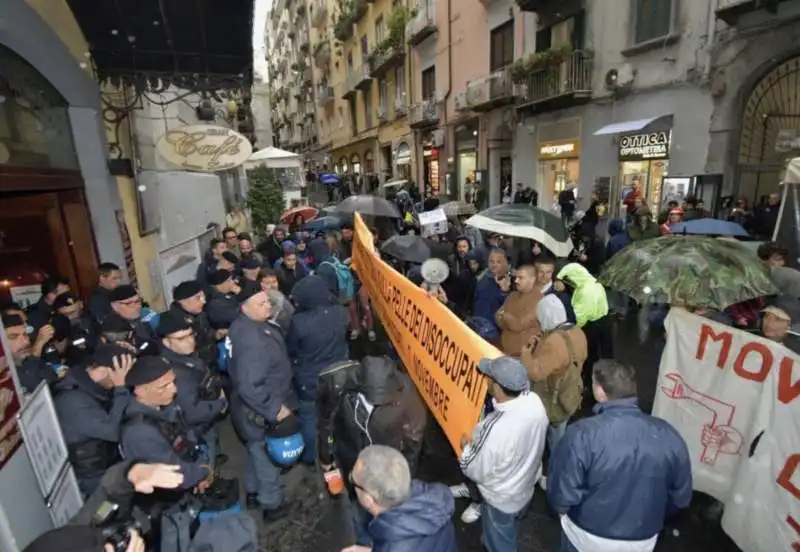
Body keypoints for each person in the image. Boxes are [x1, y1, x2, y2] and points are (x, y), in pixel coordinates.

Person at [549, 359, 693, 552]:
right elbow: (680, 498)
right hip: (642, 538)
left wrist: (562, 510)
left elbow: (562, 494)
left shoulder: (582, 434)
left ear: (600, 391)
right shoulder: (669, 435)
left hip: (587, 535)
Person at [451, 356, 548, 550]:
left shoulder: (497, 429)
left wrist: (466, 446)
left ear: (497, 387)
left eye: (489, 378)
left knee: (500, 542)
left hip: (501, 501)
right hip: (524, 488)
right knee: (510, 525)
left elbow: (474, 469)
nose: (486, 380)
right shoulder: (535, 402)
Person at [227, 286, 296, 521]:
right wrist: (274, 409)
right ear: (244, 307)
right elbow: (250, 386)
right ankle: (272, 504)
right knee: (265, 457)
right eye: (262, 304)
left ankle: (253, 492)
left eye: (268, 301)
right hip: (259, 408)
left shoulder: (244, 325)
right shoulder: (252, 341)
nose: (269, 306)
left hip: (247, 407)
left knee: (254, 452)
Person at [120, 356, 213, 494]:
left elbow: (186, 432)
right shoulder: (139, 433)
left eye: (173, 382)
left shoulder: (164, 404)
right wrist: (204, 470)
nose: (174, 390)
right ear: (140, 391)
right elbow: (177, 474)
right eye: (163, 386)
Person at [520, 295, 587, 490]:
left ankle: (552, 477)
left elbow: (536, 372)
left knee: (551, 438)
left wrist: (526, 353)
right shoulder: (577, 331)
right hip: (570, 392)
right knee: (560, 432)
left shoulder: (554, 342)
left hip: (552, 399)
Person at [342, 445, 457, 552]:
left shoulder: (394, 546)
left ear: (369, 500)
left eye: (353, 480)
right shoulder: (434, 503)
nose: (350, 477)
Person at [54, 344, 133, 496]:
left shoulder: (91, 389)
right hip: (90, 478)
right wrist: (121, 389)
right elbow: (112, 431)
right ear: (104, 371)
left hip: (105, 465)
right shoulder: (73, 400)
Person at [287, 275, 349, 465]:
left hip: (310, 379)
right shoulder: (340, 312)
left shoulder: (299, 322)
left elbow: (291, 348)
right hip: (339, 373)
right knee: (336, 414)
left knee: (309, 418)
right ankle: (336, 449)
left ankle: (310, 457)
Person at [158, 311, 227, 468]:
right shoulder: (176, 373)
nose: (189, 341)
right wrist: (220, 404)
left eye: (190, 335)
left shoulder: (184, 357)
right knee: (204, 469)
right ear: (167, 342)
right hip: (195, 431)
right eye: (181, 338)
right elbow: (192, 413)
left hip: (204, 421)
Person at [555, 263, 612, 397]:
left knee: (592, 357)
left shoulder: (585, 292)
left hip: (593, 326)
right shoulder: (591, 282)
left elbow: (580, 319)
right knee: (604, 355)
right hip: (603, 322)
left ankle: (592, 388)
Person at [2, 312, 60, 394]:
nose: (26, 342)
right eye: (13, 337)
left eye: (25, 335)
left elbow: (52, 378)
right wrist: (37, 347)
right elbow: (34, 387)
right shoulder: (5, 374)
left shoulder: (27, 359)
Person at [495, 265, 542, 357]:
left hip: (524, 357)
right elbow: (497, 317)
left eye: (521, 278)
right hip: (505, 351)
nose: (516, 281)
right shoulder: (512, 296)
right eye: (516, 277)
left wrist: (505, 316)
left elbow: (518, 325)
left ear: (532, 279)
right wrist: (507, 320)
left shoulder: (540, 301)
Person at [169, 280, 217, 368]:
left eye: (203, 296)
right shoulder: (175, 325)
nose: (204, 301)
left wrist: (215, 334)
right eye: (198, 297)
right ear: (183, 302)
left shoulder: (199, 313)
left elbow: (205, 332)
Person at [472, 249, 512, 343]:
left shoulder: (514, 282)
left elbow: (510, 310)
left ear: (506, 263)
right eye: (491, 261)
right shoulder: (481, 278)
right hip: (476, 327)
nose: (494, 265)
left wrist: (505, 291)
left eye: (498, 262)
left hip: (494, 334)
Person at [109, 285, 160, 355]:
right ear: (115, 306)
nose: (137, 306)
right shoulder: (113, 328)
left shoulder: (138, 318)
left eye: (138, 301)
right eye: (129, 303)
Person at [605, 220, 632, 317]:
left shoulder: (612, 240)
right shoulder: (627, 238)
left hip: (615, 268)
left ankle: (617, 309)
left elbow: (608, 256)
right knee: (624, 290)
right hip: (627, 267)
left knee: (615, 290)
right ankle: (624, 310)